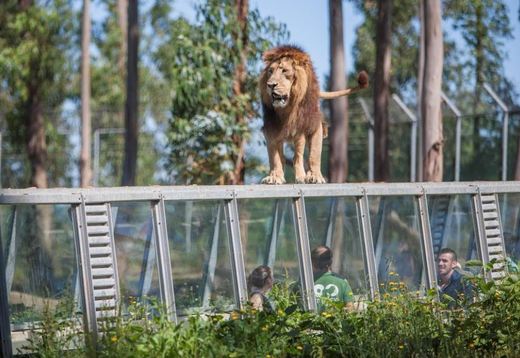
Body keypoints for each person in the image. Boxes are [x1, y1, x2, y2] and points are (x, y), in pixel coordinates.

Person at [311, 246, 354, 310]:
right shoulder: (343, 282)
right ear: (331, 261)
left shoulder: (304, 283)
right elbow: (350, 308)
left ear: (312, 262)